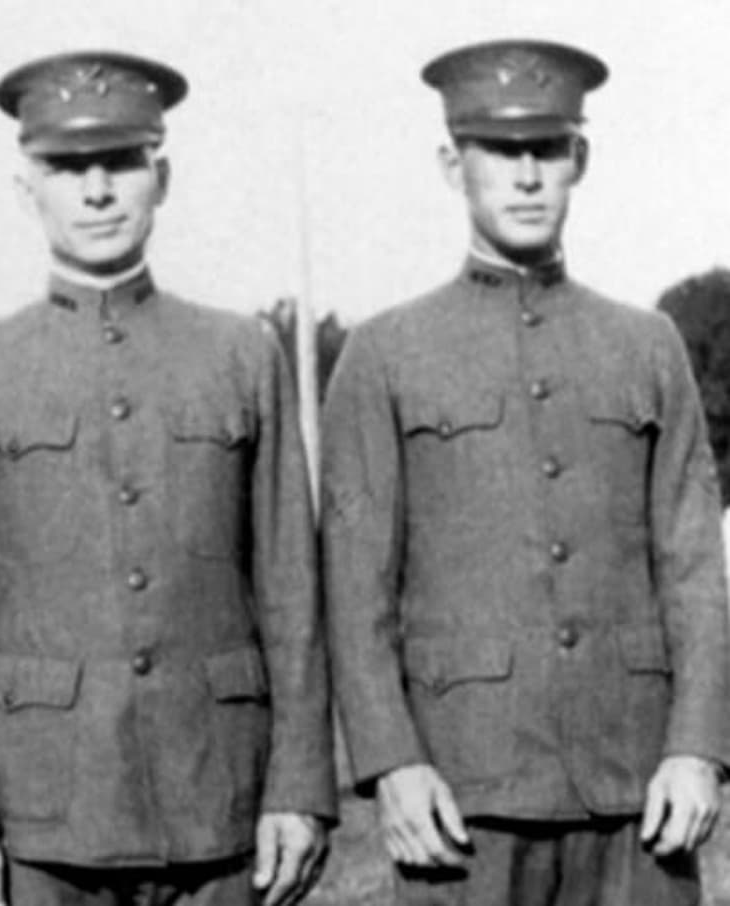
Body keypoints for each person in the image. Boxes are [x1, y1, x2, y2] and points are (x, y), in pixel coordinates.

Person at [0, 51, 335, 906]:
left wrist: (298, 784)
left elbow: (291, 591)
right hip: (45, 812)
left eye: (121, 163)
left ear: (160, 179)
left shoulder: (240, 355)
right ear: (28, 190)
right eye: (69, 169)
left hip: (216, 793)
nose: (98, 191)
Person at [322, 39, 730, 905]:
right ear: (452, 164)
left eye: (548, 148)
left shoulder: (648, 346)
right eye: (501, 151)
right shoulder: (385, 354)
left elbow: (695, 567)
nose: (528, 175)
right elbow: (357, 591)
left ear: (579, 158)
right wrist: (393, 763)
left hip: (634, 793)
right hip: (465, 796)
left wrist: (697, 747)